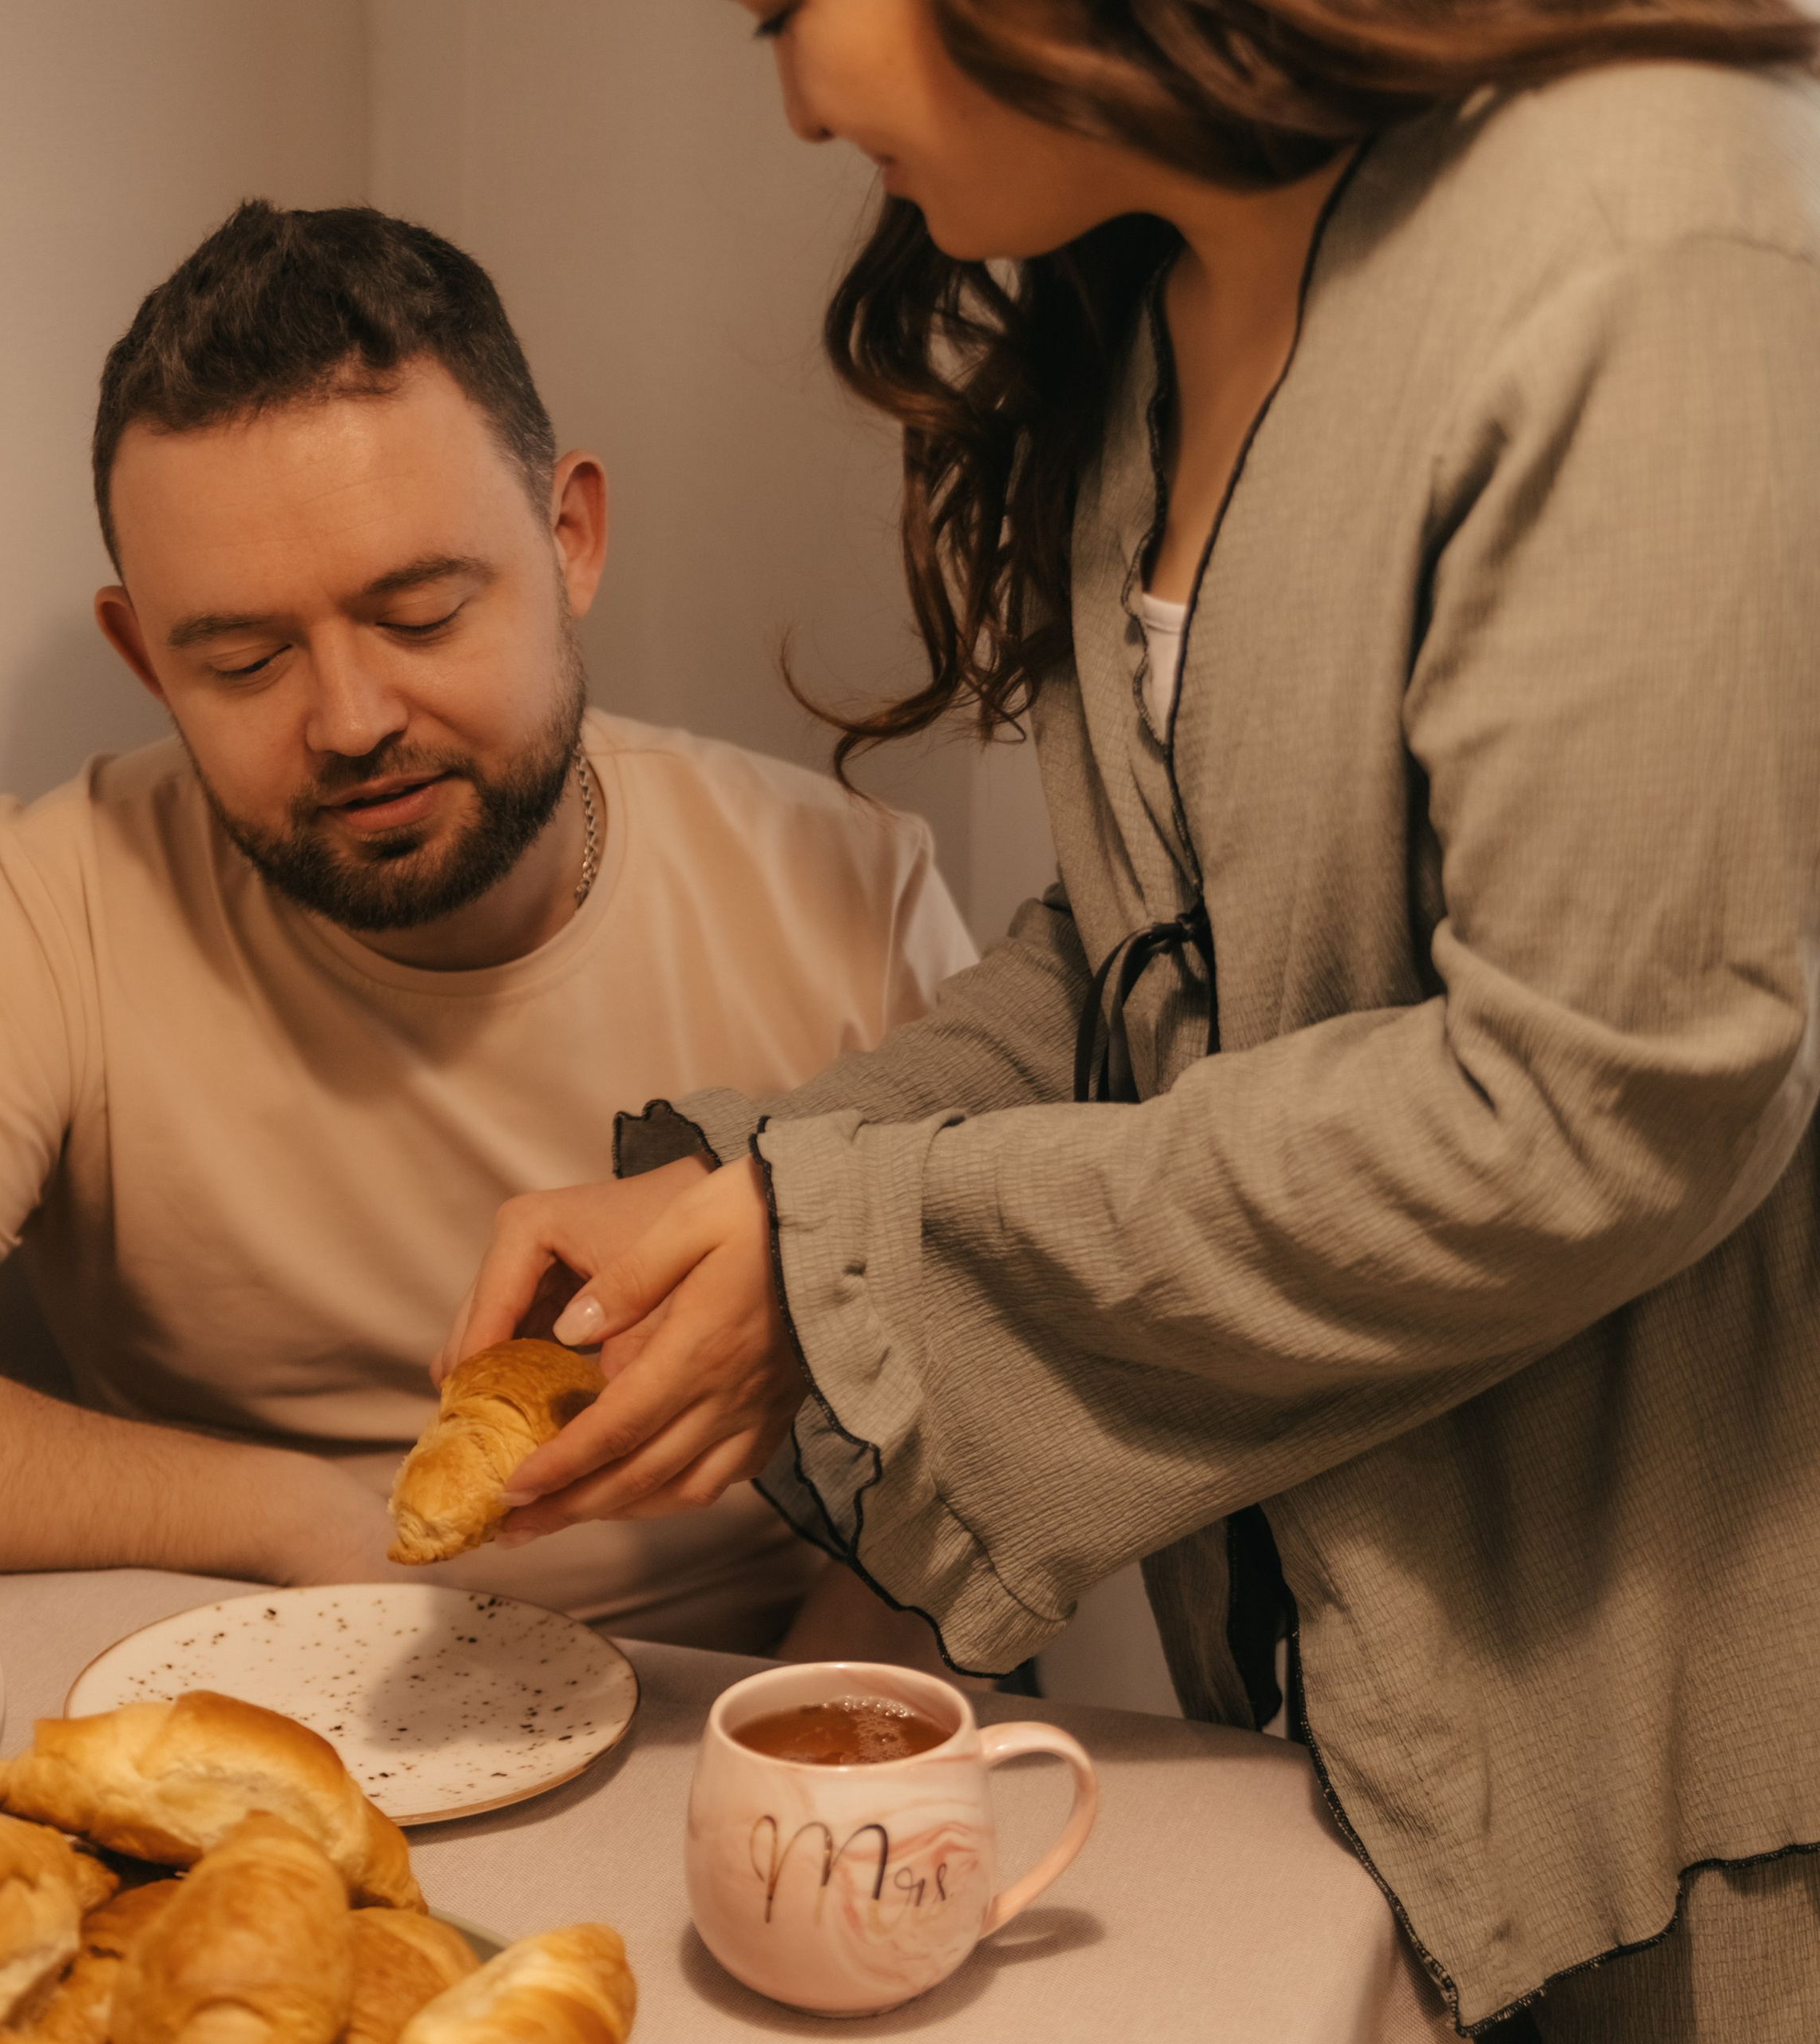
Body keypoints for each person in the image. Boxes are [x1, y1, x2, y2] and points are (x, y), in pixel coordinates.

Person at [452, 3, 1820, 2035]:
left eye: (787, 9)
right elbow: (1148, 950)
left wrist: (850, 1267)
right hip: (1342, 1713)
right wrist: (770, 1189)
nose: (795, 102)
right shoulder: (1149, 294)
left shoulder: (1639, 228)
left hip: (1677, 1729)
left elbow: (1598, 1103)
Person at [0, 199, 977, 1656]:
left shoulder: (848, 894)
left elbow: (993, 1417)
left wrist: (787, 1737)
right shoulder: (65, 898)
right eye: (244, 659)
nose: (349, 722)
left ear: (570, 538)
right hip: (268, 1697)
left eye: (419, 615)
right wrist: (275, 1512)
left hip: (738, 1701)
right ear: (144, 656)